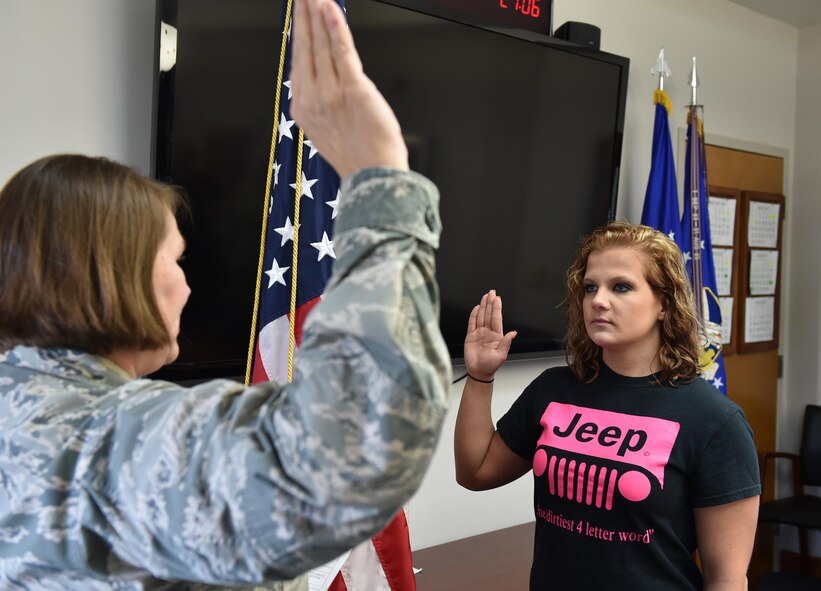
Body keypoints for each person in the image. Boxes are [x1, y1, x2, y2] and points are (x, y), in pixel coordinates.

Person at [0, 0, 452, 588]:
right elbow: (359, 447)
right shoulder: (116, 442)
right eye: (176, 259)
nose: (187, 285)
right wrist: (381, 175)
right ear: (117, 276)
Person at [454, 221, 760, 590]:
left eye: (621, 287)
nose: (598, 300)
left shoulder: (714, 420)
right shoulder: (553, 389)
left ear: (663, 303)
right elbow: (476, 472)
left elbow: (726, 580)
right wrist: (480, 377)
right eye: (590, 287)